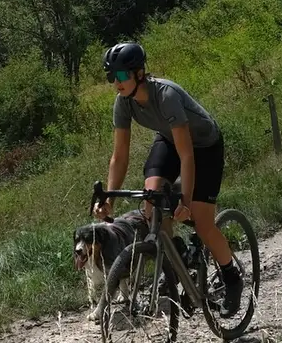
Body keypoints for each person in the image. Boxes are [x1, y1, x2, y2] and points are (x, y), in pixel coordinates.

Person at [94, 40, 243, 316]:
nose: (116, 82)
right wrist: (110, 199)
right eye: (111, 76)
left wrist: (185, 200)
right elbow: (120, 157)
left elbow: (188, 156)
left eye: (122, 75)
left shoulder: (166, 94)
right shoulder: (123, 103)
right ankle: (178, 258)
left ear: (139, 73)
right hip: (169, 142)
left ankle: (232, 277)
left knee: (201, 220)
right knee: (151, 203)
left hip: (204, 146)